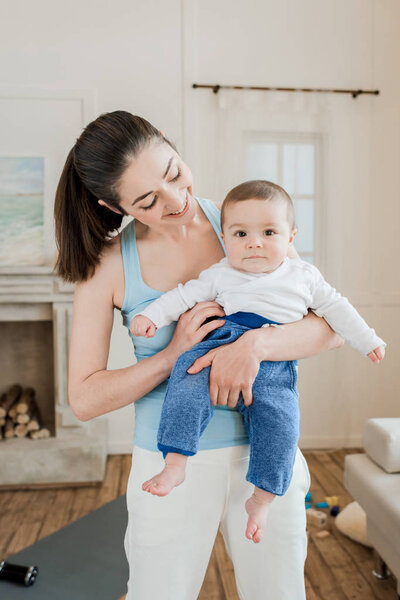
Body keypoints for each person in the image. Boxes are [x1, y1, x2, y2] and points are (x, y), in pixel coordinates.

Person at [54, 110, 344, 600]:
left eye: (173, 173)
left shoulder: (245, 225)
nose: (176, 200)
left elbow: (330, 329)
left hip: (266, 452)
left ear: (171, 143)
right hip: (169, 464)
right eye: (147, 200)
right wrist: (173, 356)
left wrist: (254, 346)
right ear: (112, 204)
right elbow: (84, 399)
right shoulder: (105, 267)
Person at [130, 179, 386, 543]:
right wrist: (153, 318)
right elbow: (183, 296)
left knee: (281, 423)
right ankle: (175, 463)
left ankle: (262, 499)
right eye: (240, 233)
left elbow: (337, 311)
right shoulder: (221, 273)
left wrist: (368, 340)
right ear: (224, 237)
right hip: (219, 340)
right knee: (185, 381)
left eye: (268, 232)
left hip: (276, 358)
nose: (254, 242)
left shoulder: (304, 276)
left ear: (291, 237)